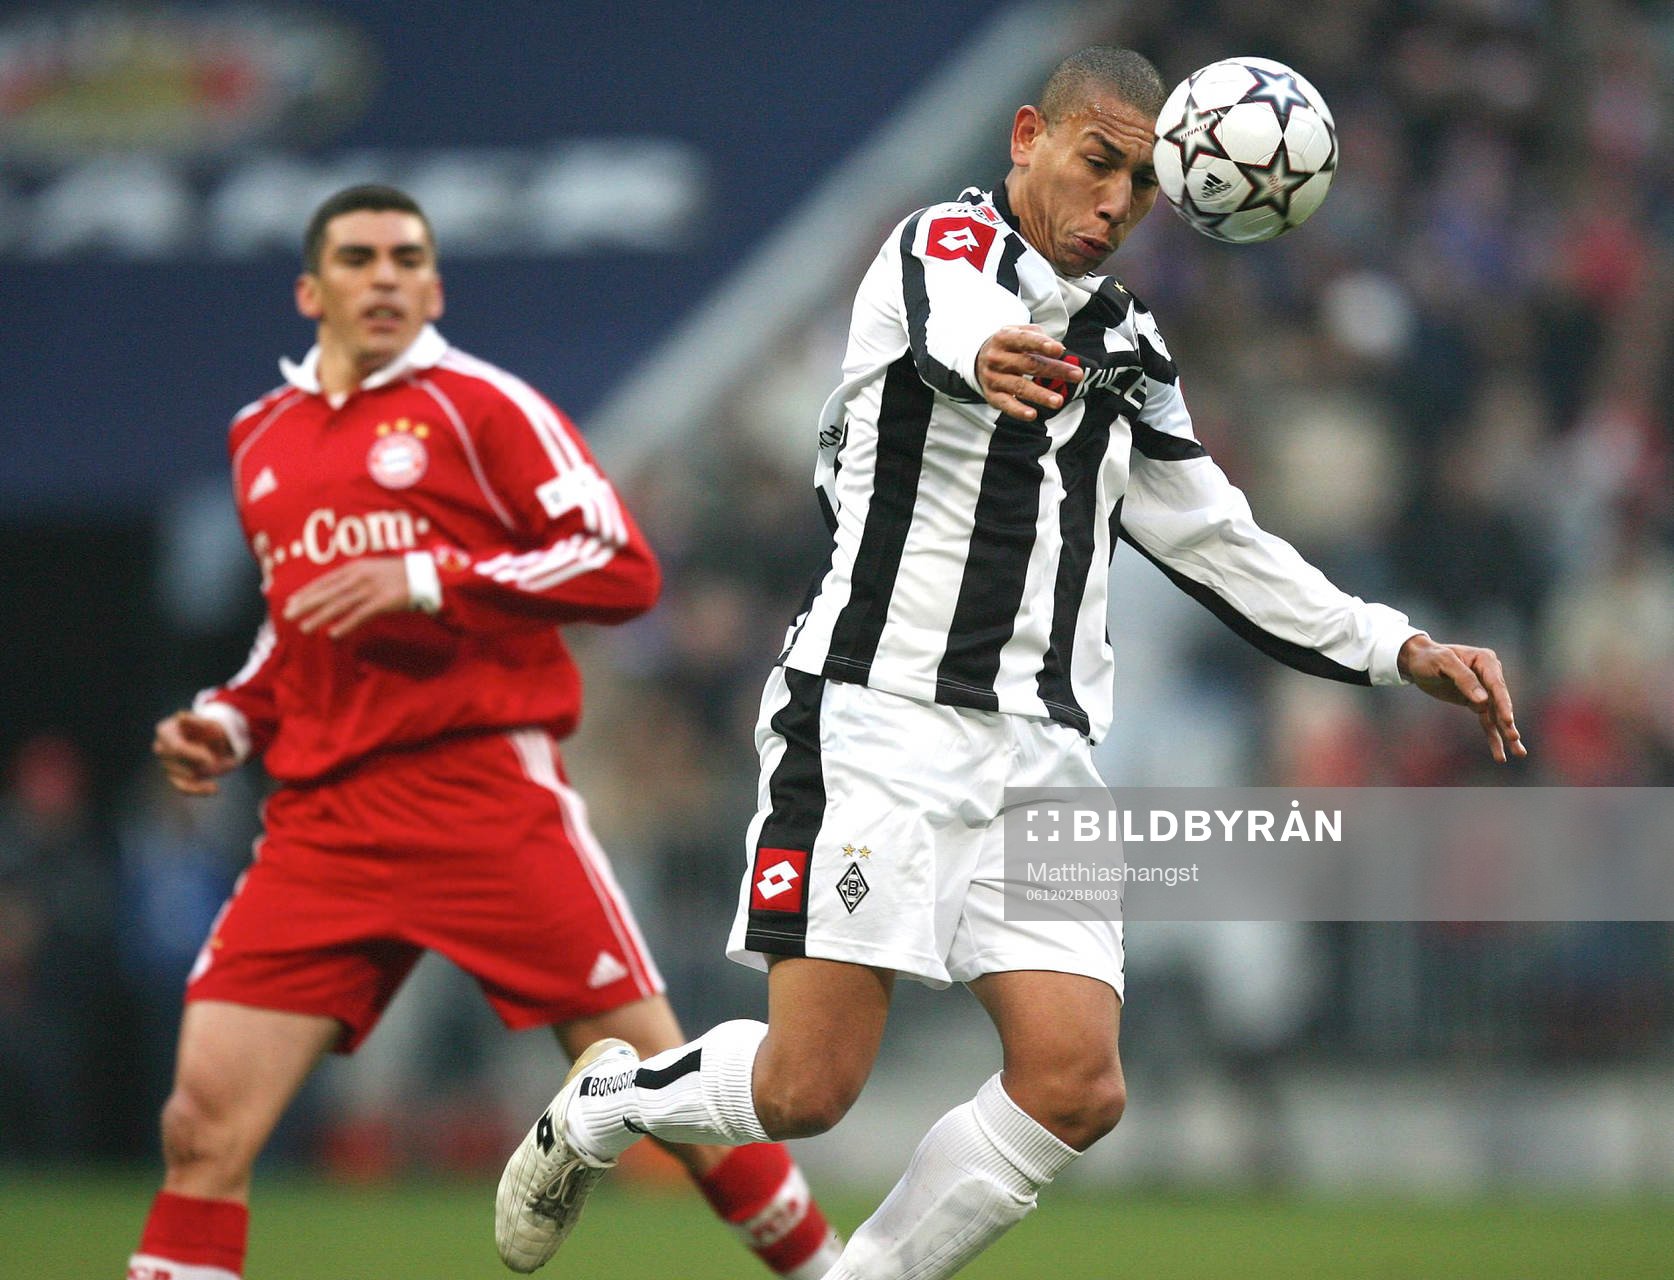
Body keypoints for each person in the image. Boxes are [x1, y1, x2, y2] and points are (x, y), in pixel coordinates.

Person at [496, 46, 1527, 1280]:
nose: (1115, 204)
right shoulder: (938, 248)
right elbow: (957, 322)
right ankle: (605, 1103)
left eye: (1143, 187)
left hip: (1039, 751)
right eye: (1099, 163)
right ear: (1029, 134)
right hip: (877, 716)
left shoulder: (1129, 346)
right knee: (808, 1086)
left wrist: (1394, 645)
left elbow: (1217, 539)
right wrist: (992, 350)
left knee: (1077, 1080)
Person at [130, 184, 841, 1280]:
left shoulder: (482, 408)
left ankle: (832, 1270)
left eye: (407, 258)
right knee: (199, 1124)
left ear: (434, 287)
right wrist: (234, 713)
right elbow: (297, 621)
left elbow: (621, 564)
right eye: (359, 257)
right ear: (311, 290)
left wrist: (429, 579)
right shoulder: (260, 436)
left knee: (670, 1095)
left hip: (481, 796)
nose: (385, 276)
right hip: (324, 821)